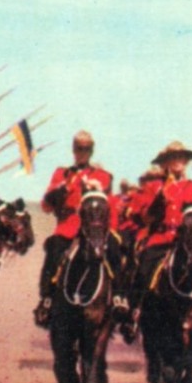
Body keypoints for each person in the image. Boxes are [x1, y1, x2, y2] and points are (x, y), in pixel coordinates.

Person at [124, 141, 192, 330]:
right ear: (165, 163)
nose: (178, 161)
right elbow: (143, 218)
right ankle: (134, 312)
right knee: (145, 266)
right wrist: (158, 202)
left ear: (186, 161)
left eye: (181, 157)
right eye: (173, 158)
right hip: (161, 239)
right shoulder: (154, 186)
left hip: (190, 242)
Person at [36, 131, 114, 326]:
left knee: (115, 253)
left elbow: (108, 201)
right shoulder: (62, 174)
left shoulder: (102, 176)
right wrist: (64, 188)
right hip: (68, 227)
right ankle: (47, 298)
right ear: (73, 150)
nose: (82, 153)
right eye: (79, 148)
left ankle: (120, 298)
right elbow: (46, 206)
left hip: (94, 228)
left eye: (86, 149)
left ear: (92, 151)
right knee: (54, 250)